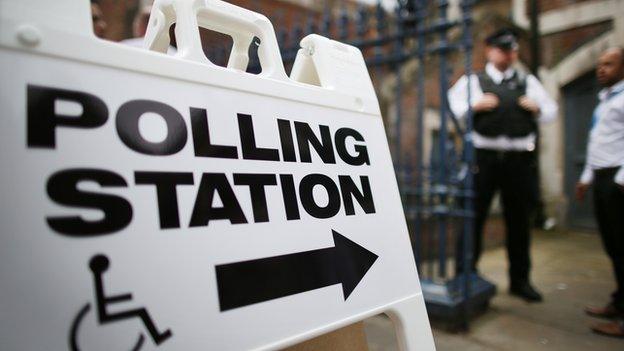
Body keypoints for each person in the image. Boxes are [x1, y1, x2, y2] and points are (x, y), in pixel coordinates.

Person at [448, 28, 558, 302]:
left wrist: (538, 107)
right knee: (473, 217)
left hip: (519, 162)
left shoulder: (527, 81)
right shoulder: (474, 81)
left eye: (512, 50)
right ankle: (466, 275)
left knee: (519, 222)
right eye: (502, 49)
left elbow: (551, 110)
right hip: (483, 160)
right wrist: (475, 105)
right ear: (489, 51)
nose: (507, 55)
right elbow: (453, 106)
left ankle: (520, 280)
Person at [576, 47, 624, 338]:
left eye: (609, 64)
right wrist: (586, 176)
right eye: (599, 64)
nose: (601, 69)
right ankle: (619, 304)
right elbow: (600, 143)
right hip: (603, 177)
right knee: (615, 248)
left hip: (618, 180)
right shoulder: (605, 100)